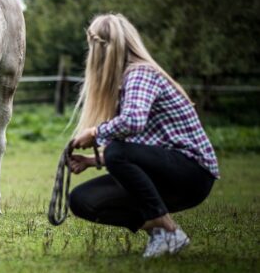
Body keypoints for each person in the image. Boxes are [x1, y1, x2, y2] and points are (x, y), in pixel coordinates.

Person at [67, 13, 219, 258]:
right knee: (82, 199)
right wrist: (92, 161)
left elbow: (133, 123)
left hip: (193, 174)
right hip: (164, 173)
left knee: (116, 151)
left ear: (99, 48)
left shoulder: (140, 73)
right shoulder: (123, 83)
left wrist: (95, 132)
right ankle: (160, 233)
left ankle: (169, 229)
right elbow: (140, 149)